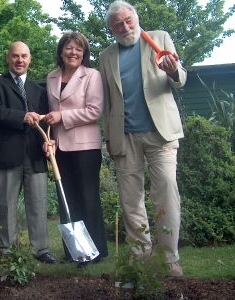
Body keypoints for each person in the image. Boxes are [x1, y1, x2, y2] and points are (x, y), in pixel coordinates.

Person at [99, 1, 186, 276]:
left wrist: (172, 70)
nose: (125, 27)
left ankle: (170, 257)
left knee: (167, 192)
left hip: (161, 133)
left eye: (128, 21)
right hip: (125, 137)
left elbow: (180, 78)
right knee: (130, 199)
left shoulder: (158, 38)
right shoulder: (106, 55)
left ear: (136, 19)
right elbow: (107, 101)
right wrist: (110, 139)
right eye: (118, 25)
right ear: (111, 30)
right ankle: (141, 255)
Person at [0, 41, 57, 264]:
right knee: (6, 204)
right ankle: (6, 248)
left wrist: (49, 141)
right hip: (7, 153)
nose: (20, 60)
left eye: (24, 56)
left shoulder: (39, 89)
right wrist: (21, 116)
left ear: (30, 59)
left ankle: (41, 249)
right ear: (8, 58)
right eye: (15, 56)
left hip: (35, 155)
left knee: (38, 203)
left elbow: (46, 120)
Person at [44, 32, 108, 266]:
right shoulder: (51, 76)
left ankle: (95, 252)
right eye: (69, 48)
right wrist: (49, 138)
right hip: (59, 148)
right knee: (67, 200)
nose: (73, 53)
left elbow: (94, 110)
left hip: (85, 148)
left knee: (88, 198)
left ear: (84, 53)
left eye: (78, 49)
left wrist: (63, 116)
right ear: (61, 51)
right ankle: (74, 252)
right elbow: (49, 113)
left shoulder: (92, 75)